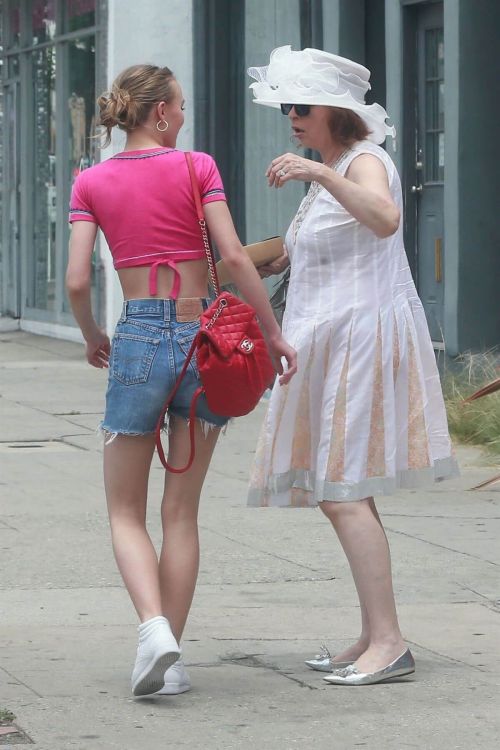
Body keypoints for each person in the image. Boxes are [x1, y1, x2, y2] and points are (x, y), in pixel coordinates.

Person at [65, 63, 296, 697]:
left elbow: (78, 280)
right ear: (161, 112)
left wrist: (92, 337)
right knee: (182, 511)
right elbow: (230, 258)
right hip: (205, 337)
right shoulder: (198, 168)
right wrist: (272, 331)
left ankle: (152, 631)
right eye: (182, 105)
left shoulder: (91, 181)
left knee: (123, 510)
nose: (185, 115)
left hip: (138, 333)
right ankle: (173, 660)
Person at [247, 46, 458, 685]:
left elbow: (386, 219)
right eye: (285, 106)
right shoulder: (336, 166)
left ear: (336, 111)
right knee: (343, 489)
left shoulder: (361, 162)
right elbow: (301, 250)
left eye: (301, 106)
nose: (291, 117)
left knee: (341, 491)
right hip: (330, 337)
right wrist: (243, 259)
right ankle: (373, 634)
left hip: (358, 341)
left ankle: (388, 642)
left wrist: (318, 177)